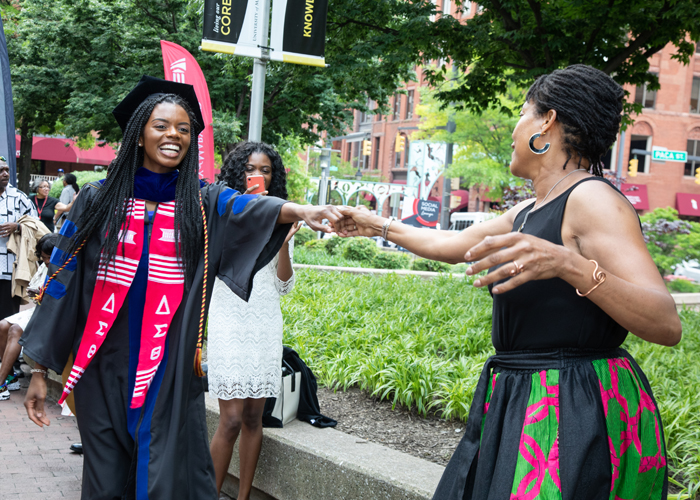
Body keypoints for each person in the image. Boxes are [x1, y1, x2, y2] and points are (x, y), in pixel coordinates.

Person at [337, 65, 680, 500]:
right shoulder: (528, 211)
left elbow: (665, 323)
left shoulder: (591, 199)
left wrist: (568, 265)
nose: (514, 130)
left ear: (547, 123)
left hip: (576, 403)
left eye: (522, 113)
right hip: (524, 392)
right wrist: (375, 224)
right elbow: (452, 244)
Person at [20, 75, 344, 500]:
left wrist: (302, 209)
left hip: (166, 368)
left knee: (158, 478)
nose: (173, 135)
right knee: (102, 480)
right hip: (102, 366)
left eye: (184, 129)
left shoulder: (201, 203)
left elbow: (248, 207)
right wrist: (39, 370)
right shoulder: (99, 199)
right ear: (138, 134)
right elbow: (62, 278)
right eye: (161, 125)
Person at [208, 141, 299, 498]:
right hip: (228, 319)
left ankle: (243, 496)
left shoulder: (282, 218)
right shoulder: (221, 213)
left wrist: (285, 243)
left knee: (252, 419)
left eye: (265, 170)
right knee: (229, 420)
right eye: (250, 169)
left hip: (264, 323)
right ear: (236, 174)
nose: (257, 176)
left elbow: (285, 285)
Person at [0, 233, 57, 401]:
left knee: (15, 330)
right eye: (44, 257)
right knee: (3, 325)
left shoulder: (64, 268)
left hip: (51, 312)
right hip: (40, 308)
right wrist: (36, 293)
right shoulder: (45, 266)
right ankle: (9, 376)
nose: (46, 261)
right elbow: (34, 287)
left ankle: (1, 382)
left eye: (48, 257)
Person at [0, 157, 38, 320]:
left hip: (9, 270)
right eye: (1, 170)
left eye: (7, 170)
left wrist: (18, 227)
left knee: (6, 319)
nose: (5, 174)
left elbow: (38, 226)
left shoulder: (19, 197)